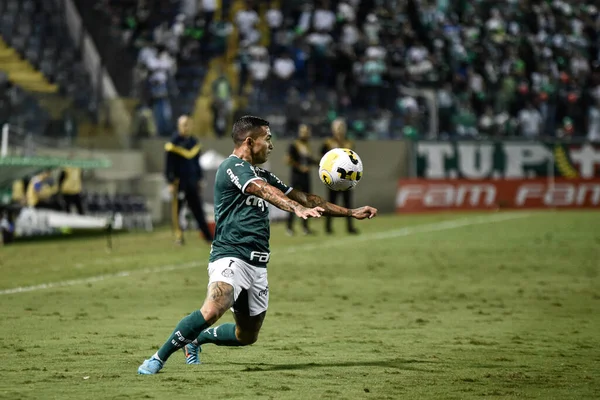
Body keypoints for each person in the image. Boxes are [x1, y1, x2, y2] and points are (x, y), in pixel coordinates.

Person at [138, 115, 378, 375]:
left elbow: (307, 198)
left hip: (257, 263)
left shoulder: (262, 173)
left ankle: (198, 339)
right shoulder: (232, 167)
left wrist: (350, 212)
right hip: (230, 255)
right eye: (268, 139)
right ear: (250, 142)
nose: (271, 145)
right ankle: (157, 359)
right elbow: (262, 191)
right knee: (214, 307)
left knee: (247, 335)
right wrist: (295, 208)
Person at [165, 115, 214, 245]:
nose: (186, 127)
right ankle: (179, 236)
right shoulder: (173, 143)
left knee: (198, 210)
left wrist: (200, 179)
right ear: (179, 126)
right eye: (183, 124)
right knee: (177, 212)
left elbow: (197, 164)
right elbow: (169, 165)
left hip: (192, 182)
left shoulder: (194, 143)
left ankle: (208, 236)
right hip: (178, 183)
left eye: (188, 124)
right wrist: (170, 181)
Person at [321, 118, 358, 234]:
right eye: (337, 127)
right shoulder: (328, 143)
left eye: (342, 127)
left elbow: (354, 162)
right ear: (333, 129)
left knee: (348, 203)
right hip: (333, 179)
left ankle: (350, 227)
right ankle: (328, 227)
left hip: (346, 179)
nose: (340, 130)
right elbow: (322, 160)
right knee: (330, 204)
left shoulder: (349, 143)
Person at [286, 124, 316, 235]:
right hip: (296, 177)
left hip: (306, 177)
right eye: (303, 131)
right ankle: (289, 227)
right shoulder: (294, 145)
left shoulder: (307, 145)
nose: (305, 133)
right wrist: (299, 167)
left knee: (307, 203)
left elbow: (310, 160)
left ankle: (305, 227)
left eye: (307, 131)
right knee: (293, 202)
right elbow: (288, 160)